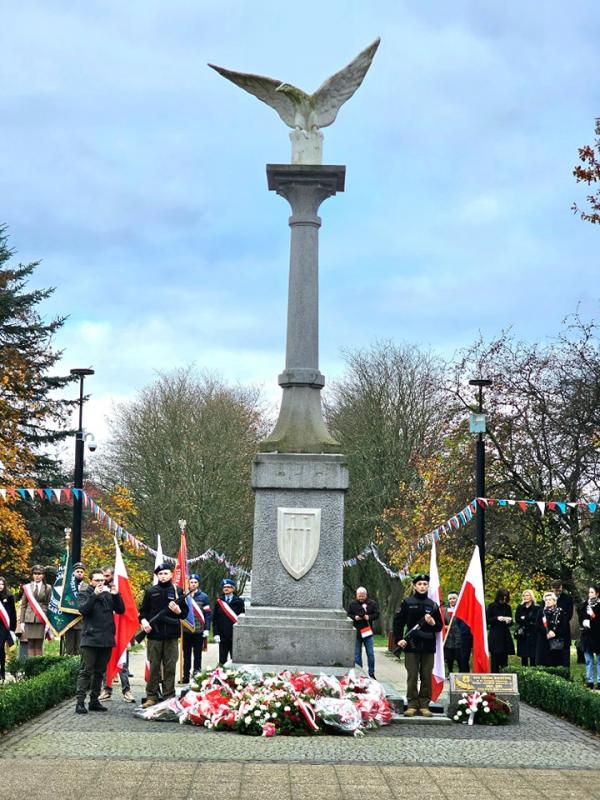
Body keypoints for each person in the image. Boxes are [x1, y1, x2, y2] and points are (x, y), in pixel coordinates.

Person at [75, 568, 125, 714]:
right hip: (90, 639)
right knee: (86, 671)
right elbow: (83, 610)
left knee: (99, 672)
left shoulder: (108, 594)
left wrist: (116, 595)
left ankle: (94, 701)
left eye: (103, 580)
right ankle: (80, 702)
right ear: (90, 581)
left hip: (106, 639)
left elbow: (121, 610)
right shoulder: (85, 593)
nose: (101, 583)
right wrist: (94, 595)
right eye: (97, 580)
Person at [393, 573, 442, 717]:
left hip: (428, 645)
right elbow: (398, 623)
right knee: (412, 675)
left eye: (425, 584)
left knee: (426, 675)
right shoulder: (407, 602)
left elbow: (439, 627)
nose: (422, 586)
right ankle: (412, 704)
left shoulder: (432, 605)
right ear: (415, 586)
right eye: (419, 584)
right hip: (411, 645)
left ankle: (424, 705)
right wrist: (399, 639)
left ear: (428, 586)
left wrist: (433, 623)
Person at [138, 563, 188, 708]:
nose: (163, 576)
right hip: (154, 635)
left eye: (166, 573)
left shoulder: (178, 591)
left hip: (171, 635)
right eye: (160, 574)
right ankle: (151, 696)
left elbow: (185, 614)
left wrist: (178, 610)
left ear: (171, 574)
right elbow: (143, 612)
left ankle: (168, 696)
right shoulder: (151, 591)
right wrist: (144, 622)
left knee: (170, 667)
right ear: (157, 576)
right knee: (154, 666)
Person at [181, 573, 211, 683]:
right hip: (186, 630)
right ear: (188, 583)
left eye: (195, 582)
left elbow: (207, 614)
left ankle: (197, 675)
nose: (193, 584)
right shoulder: (184, 596)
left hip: (199, 630)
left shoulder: (204, 597)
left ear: (198, 584)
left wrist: (207, 628)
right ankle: (185, 676)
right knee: (186, 654)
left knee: (197, 654)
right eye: (191, 582)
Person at [18, 565, 52, 657]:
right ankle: (31, 669)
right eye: (35, 574)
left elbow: (50, 605)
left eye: (39, 574)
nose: (37, 576)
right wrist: (21, 621)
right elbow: (24, 605)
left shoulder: (48, 588)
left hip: (41, 619)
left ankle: (38, 669)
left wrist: (49, 621)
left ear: (43, 575)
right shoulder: (27, 587)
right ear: (32, 575)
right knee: (30, 645)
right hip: (29, 619)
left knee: (39, 645)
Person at [347, 586, 379, 679]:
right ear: (356, 595)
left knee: (370, 653)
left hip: (367, 632)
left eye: (362, 596)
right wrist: (355, 617)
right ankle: (359, 673)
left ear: (366, 595)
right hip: (357, 632)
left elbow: (377, 614)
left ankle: (371, 673)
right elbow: (348, 614)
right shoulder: (352, 604)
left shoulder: (372, 603)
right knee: (357, 654)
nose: (361, 598)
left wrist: (369, 617)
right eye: (359, 596)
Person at [212, 578, 245, 665]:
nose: (226, 589)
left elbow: (242, 619)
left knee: (234, 661)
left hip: (234, 636)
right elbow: (215, 620)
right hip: (222, 636)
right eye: (224, 587)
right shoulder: (219, 602)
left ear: (233, 589)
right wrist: (216, 634)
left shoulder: (239, 602)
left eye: (228, 587)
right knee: (222, 661)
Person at [536, 591, 571, 667]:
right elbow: (538, 625)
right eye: (546, 600)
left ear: (554, 601)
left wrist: (555, 633)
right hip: (543, 641)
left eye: (550, 600)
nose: (547, 602)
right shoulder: (541, 612)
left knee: (556, 663)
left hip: (556, 642)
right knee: (544, 664)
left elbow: (564, 626)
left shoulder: (560, 612)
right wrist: (547, 632)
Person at [487, 588, 515, 673]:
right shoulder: (491, 606)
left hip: (504, 634)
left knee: (504, 657)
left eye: (505, 598)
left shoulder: (508, 607)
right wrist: (497, 618)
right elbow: (488, 620)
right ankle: (494, 674)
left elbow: (511, 622)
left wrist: (509, 620)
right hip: (495, 634)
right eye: (502, 598)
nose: (503, 600)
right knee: (495, 657)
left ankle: (504, 674)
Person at [577, 585, 600, 689]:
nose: (589, 594)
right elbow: (581, 617)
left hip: (598, 636)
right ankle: (590, 681)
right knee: (589, 660)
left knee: (599, 660)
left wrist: (593, 617)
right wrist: (584, 621)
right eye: (589, 592)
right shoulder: (585, 604)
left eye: (592, 592)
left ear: (597, 594)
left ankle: (599, 682)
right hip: (587, 636)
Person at [443, 590, 470, 673]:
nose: (452, 600)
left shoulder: (463, 609)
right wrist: (444, 627)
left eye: (454, 598)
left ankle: (461, 674)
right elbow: (441, 623)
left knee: (461, 658)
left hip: (460, 638)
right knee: (449, 658)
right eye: (450, 599)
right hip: (448, 638)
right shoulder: (444, 610)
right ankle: (450, 673)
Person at [63, 562, 86, 656]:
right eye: (77, 571)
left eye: (81, 571)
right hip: (69, 621)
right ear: (73, 573)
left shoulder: (87, 587)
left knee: (80, 648)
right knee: (69, 649)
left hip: (82, 620)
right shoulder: (67, 587)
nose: (79, 573)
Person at [551, 579, 574, 670]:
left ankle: (566, 674)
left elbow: (569, 615)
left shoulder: (568, 599)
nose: (558, 592)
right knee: (553, 656)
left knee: (565, 655)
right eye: (556, 590)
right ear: (552, 589)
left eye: (560, 590)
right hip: (551, 631)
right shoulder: (548, 598)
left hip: (563, 630)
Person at [515, 589, 538, 667]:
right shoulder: (520, 607)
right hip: (522, 634)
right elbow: (517, 619)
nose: (525, 597)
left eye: (527, 595)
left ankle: (533, 673)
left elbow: (536, 619)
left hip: (532, 634)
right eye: (524, 595)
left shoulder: (536, 608)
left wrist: (524, 618)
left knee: (532, 656)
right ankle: (524, 673)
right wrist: (527, 619)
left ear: (531, 597)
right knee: (523, 656)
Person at [0, 576, 17, 681]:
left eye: (2, 584)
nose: (0, 586)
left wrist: (12, 629)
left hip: (4, 627)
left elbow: (13, 613)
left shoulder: (9, 596)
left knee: (1, 647)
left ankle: (2, 672)